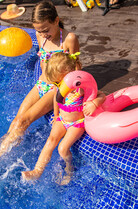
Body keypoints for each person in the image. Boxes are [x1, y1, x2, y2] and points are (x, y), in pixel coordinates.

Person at [0, 0, 81, 171]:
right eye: (39, 31)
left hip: (56, 89)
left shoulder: (68, 39)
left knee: (24, 120)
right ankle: (10, 141)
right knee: (18, 119)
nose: (43, 34)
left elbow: (75, 70)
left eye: (46, 30)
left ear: (56, 20)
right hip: (41, 84)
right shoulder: (40, 35)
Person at [22, 52, 106, 185]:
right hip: (62, 119)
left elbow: (102, 95)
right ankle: (37, 171)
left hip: (76, 123)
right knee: (50, 141)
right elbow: (57, 99)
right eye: (57, 82)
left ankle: (69, 170)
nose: (59, 85)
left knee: (62, 148)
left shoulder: (80, 88)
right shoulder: (60, 86)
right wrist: (56, 115)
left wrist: (94, 103)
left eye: (60, 81)